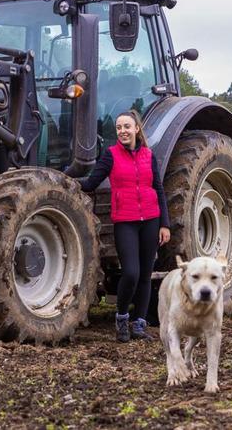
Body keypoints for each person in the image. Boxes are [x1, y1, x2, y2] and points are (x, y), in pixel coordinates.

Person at [79, 110, 170, 342]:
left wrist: (164, 225)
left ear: (136, 129)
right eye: (119, 128)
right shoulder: (110, 156)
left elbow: (158, 189)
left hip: (151, 220)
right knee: (131, 272)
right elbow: (91, 182)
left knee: (145, 275)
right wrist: (64, 182)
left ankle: (139, 325)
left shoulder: (149, 156)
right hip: (125, 222)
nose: (122, 131)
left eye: (127, 127)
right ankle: (121, 318)